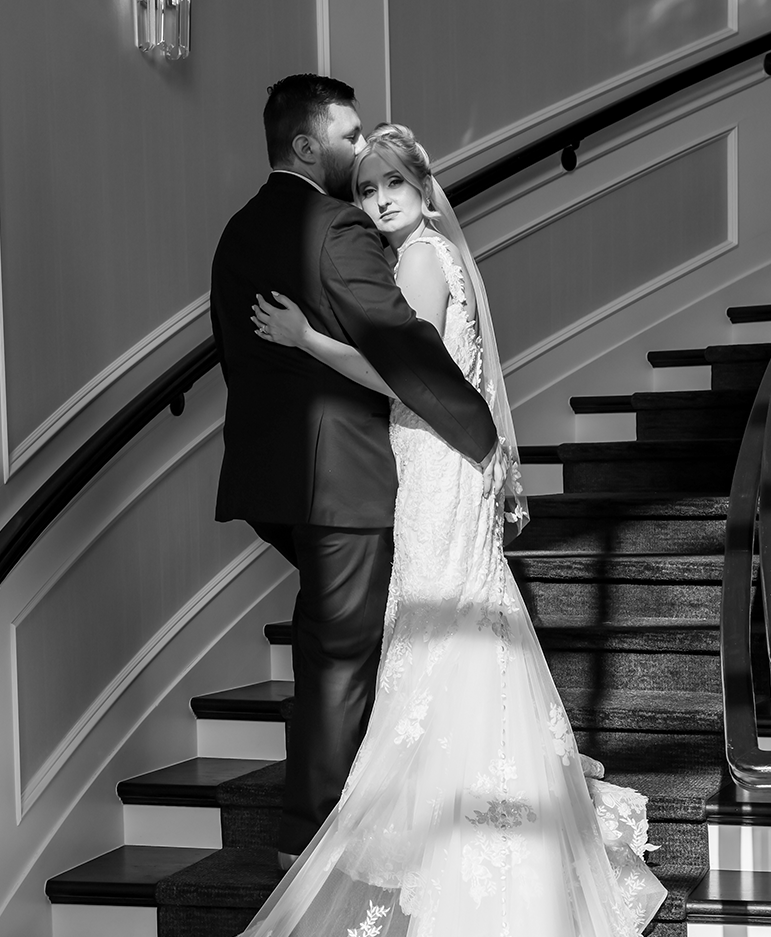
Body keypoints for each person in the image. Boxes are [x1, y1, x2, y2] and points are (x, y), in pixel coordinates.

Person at [240, 123, 668, 936]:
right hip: (443, 457)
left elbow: (405, 371)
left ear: (423, 183)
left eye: (394, 183)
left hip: (435, 458)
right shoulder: (441, 252)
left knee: (438, 623)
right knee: (458, 617)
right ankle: (480, 792)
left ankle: (459, 809)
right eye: (366, 189)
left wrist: (307, 339)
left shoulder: (420, 259)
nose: (380, 199)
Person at [210, 76, 503, 872]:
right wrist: (479, 428)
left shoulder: (237, 233)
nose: (358, 148)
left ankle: (377, 805)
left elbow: (241, 359)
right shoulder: (336, 227)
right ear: (308, 145)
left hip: (278, 482)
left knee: (346, 641)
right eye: (348, 136)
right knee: (340, 654)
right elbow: (400, 344)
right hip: (345, 482)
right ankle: (311, 840)